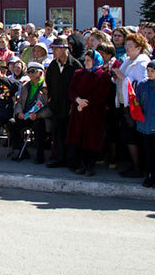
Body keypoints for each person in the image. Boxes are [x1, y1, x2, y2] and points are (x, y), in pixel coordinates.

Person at [66, 49, 113, 176]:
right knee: (79, 137)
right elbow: (71, 89)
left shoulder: (103, 76)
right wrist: (77, 100)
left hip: (93, 112)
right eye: (85, 60)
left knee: (91, 139)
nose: (86, 63)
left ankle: (90, 165)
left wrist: (85, 103)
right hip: (79, 111)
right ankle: (81, 164)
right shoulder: (79, 73)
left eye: (89, 60)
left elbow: (101, 95)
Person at [112, 33, 151, 178]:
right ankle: (134, 165)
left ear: (139, 47)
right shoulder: (128, 60)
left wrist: (124, 78)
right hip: (124, 103)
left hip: (135, 105)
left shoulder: (142, 62)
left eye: (130, 46)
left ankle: (138, 167)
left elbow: (143, 85)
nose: (127, 49)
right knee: (128, 137)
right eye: (126, 46)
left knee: (133, 137)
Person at [44, 36, 83, 168]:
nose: (54, 52)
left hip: (70, 106)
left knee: (71, 133)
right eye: (53, 49)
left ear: (65, 49)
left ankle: (72, 161)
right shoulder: (53, 65)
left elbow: (80, 87)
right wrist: (50, 99)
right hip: (56, 105)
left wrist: (75, 104)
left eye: (56, 49)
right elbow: (49, 82)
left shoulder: (76, 66)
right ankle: (59, 158)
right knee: (58, 133)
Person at [10, 62, 51, 163]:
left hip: (40, 117)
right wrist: (19, 112)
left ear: (40, 73)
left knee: (38, 125)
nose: (30, 74)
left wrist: (38, 115)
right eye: (28, 72)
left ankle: (40, 155)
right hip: (26, 115)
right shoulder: (25, 86)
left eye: (33, 71)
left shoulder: (47, 87)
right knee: (12, 123)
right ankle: (22, 151)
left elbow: (50, 108)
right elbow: (19, 103)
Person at [136, 60, 155, 187]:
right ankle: (149, 175)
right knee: (147, 152)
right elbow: (137, 102)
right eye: (148, 71)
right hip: (145, 124)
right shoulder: (142, 85)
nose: (149, 73)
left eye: (152, 71)